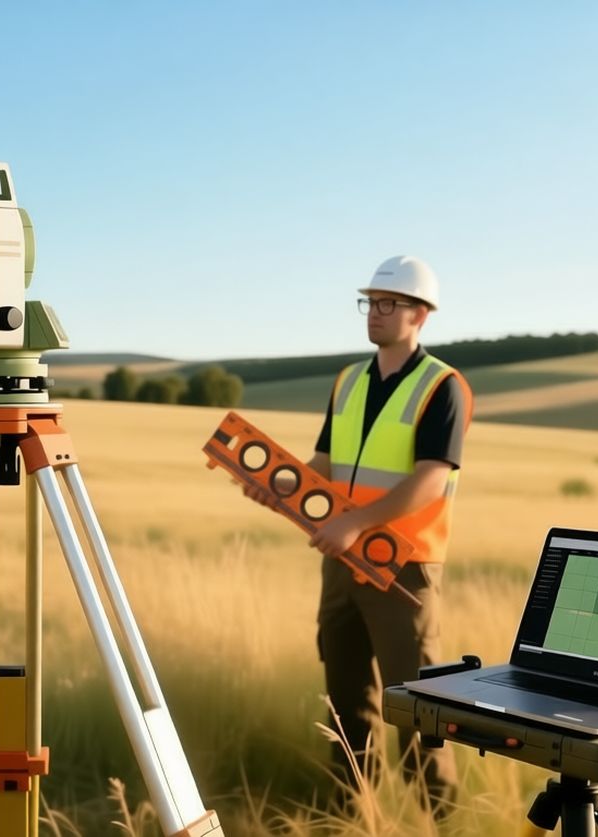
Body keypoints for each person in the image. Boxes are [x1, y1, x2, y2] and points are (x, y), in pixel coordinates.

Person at [244, 255, 470, 815]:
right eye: (371, 302)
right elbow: (325, 460)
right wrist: (281, 486)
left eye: (389, 303)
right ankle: (349, 817)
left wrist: (354, 523)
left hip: (405, 566)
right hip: (341, 561)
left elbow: (430, 480)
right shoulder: (348, 380)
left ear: (421, 314)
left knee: (418, 708)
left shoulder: (443, 385)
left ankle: (440, 822)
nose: (376, 312)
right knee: (347, 706)